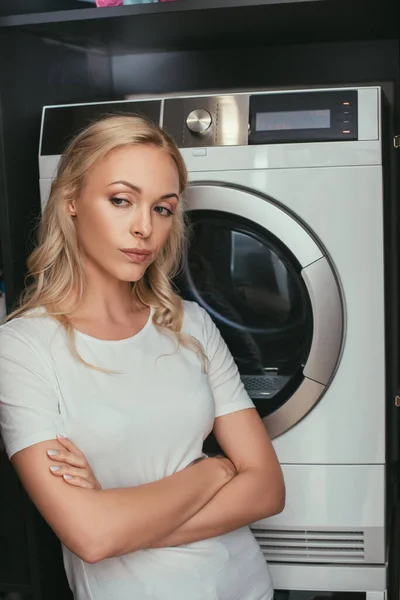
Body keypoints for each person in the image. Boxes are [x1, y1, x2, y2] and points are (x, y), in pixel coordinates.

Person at [0, 115, 285, 600]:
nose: (143, 229)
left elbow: (267, 490)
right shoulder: (21, 349)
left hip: (243, 584)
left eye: (163, 209)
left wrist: (123, 523)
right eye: (120, 200)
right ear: (70, 199)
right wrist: (214, 471)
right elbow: (92, 538)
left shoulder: (189, 323)